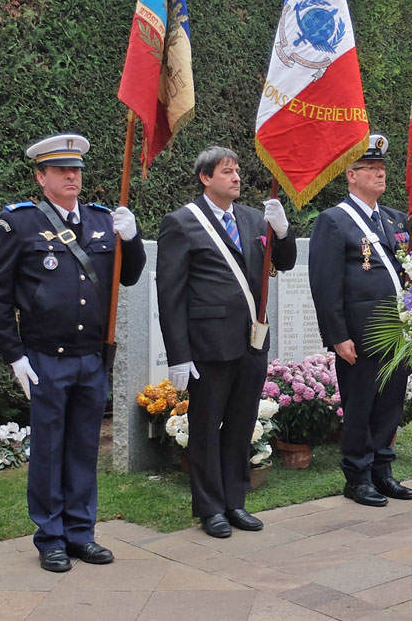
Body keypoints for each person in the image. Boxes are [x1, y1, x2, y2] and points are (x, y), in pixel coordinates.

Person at [0, 132, 146, 572]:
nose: (72, 176)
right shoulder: (18, 223)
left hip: (91, 357)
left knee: (82, 447)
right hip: (45, 358)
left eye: (75, 170)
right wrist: (14, 355)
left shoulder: (100, 220)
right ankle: (50, 537)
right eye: (61, 171)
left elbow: (127, 278)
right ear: (41, 177)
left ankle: (81, 533)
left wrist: (130, 240)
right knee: (51, 448)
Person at [156, 146, 297, 538]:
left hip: (252, 341)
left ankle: (236, 501)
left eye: (237, 171)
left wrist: (283, 232)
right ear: (205, 178)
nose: (236, 178)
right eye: (227, 172)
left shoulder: (254, 219)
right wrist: (179, 355)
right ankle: (209, 508)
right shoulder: (181, 223)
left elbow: (282, 263)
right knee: (204, 427)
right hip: (208, 345)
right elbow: (170, 295)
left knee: (241, 424)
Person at [307, 134, 412, 507]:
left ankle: (383, 471)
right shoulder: (334, 220)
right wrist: (337, 335)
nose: (380, 175)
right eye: (371, 168)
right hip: (361, 334)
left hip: (396, 333)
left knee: (390, 405)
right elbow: (325, 284)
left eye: (382, 169)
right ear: (351, 175)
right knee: (361, 407)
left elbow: (407, 270)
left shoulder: (394, 218)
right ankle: (357, 476)